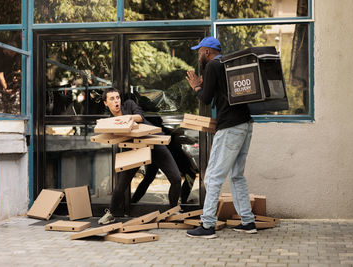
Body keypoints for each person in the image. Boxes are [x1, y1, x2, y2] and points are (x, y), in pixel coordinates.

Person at [185, 37, 256, 238]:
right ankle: (248, 222)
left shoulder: (212, 66)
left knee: (213, 177)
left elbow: (205, 99)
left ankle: (207, 225)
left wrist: (196, 87)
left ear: (207, 52)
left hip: (230, 127)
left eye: (199, 52)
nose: (198, 55)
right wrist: (204, 85)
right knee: (236, 175)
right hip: (246, 124)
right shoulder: (228, 64)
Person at [98, 87, 182, 224]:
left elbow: (140, 117)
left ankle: (173, 209)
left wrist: (128, 118)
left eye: (117, 97)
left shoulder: (129, 105)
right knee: (120, 185)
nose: (116, 101)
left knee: (176, 178)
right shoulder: (110, 121)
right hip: (132, 149)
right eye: (112, 99)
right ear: (106, 103)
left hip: (153, 144)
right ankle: (111, 213)